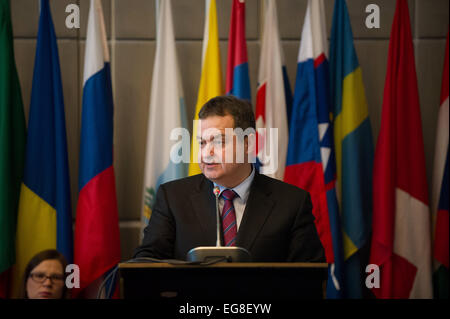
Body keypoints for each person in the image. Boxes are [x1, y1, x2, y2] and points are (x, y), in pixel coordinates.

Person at [134, 96, 325, 262]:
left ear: (249, 144)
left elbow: (309, 278)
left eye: (219, 141)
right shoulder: (173, 197)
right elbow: (146, 263)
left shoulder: (292, 203)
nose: (206, 153)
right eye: (202, 142)